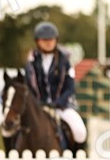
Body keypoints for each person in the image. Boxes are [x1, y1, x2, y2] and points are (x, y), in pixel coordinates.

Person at [24, 22, 87, 151]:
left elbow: (70, 87)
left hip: (62, 106)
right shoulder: (31, 61)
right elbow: (28, 85)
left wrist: (58, 103)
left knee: (80, 131)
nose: (48, 42)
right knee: (10, 130)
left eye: (51, 39)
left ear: (56, 40)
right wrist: (37, 103)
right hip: (38, 106)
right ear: (37, 41)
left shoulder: (65, 60)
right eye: (44, 40)